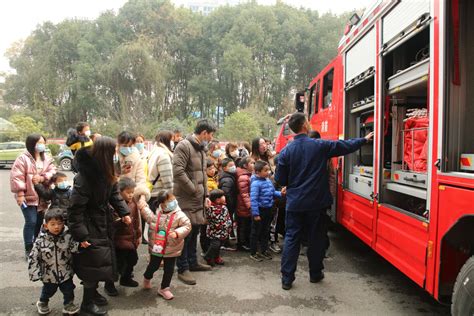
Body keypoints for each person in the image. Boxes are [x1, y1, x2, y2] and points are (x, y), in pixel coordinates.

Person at [275, 112, 373, 290]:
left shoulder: (286, 151)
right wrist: (364, 140)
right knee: (316, 239)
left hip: (295, 203)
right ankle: (315, 273)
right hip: (317, 203)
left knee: (291, 239)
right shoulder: (319, 145)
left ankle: (287, 279)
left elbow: (281, 179)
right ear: (305, 125)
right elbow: (344, 146)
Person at [68, 136, 132, 315]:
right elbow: (75, 210)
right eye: (113, 152)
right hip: (90, 225)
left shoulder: (106, 171)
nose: (116, 155)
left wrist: (124, 212)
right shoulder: (85, 177)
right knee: (93, 264)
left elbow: (115, 194)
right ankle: (86, 305)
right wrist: (81, 235)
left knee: (99, 262)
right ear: (105, 153)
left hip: (103, 222)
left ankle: (93, 295)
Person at [173, 118, 216, 285]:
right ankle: (182, 269)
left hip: (198, 199)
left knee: (194, 233)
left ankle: (192, 262)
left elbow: (203, 175)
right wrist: (193, 189)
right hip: (186, 199)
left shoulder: (201, 148)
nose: (211, 138)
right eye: (211, 134)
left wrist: (205, 195)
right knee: (185, 234)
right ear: (204, 133)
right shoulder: (184, 146)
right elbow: (177, 171)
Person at [10, 133, 57, 258]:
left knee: (39, 223)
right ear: (32, 144)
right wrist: (20, 195)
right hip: (28, 197)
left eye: (43, 143)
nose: (42, 145)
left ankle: (37, 245)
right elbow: (17, 177)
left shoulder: (46, 158)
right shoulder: (23, 159)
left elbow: (53, 171)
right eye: (39, 143)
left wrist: (42, 178)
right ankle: (28, 248)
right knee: (31, 221)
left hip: (42, 196)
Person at [139, 190, 191, 300]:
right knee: (153, 265)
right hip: (157, 247)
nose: (173, 202)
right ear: (162, 203)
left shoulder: (179, 214)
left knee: (169, 269)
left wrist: (177, 233)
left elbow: (187, 226)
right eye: (169, 201)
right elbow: (149, 217)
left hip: (172, 247)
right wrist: (143, 207)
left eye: (172, 200)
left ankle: (164, 288)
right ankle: (147, 277)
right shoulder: (157, 213)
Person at [28, 209, 81, 315]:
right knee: (48, 291)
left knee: (68, 290)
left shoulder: (68, 237)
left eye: (59, 224)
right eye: (52, 224)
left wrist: (80, 245)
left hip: (65, 272)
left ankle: (68, 304)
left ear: (63, 224)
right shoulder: (40, 241)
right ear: (46, 225)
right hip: (48, 275)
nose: (56, 227)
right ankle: (43, 302)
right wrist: (34, 272)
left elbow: (73, 249)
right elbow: (33, 257)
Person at [104, 177, 147, 296]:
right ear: (119, 191)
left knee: (132, 260)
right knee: (116, 265)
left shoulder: (133, 202)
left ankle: (125, 278)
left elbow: (137, 221)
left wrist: (138, 235)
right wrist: (121, 221)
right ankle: (109, 285)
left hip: (130, 239)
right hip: (118, 241)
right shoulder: (113, 205)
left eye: (132, 192)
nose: (131, 195)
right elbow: (111, 224)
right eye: (128, 192)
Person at [249, 161, 283, 262]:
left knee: (266, 231)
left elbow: (273, 193)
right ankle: (253, 252)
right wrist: (255, 214)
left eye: (268, 170)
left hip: (268, 210)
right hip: (259, 211)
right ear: (257, 172)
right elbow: (253, 200)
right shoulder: (255, 183)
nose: (268, 172)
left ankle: (264, 250)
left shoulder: (268, 181)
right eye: (265, 170)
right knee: (255, 232)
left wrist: (281, 193)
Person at [204, 189, 232, 266]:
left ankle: (216, 258)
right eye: (223, 196)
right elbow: (208, 219)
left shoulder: (224, 206)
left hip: (224, 231)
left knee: (219, 246)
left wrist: (229, 225)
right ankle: (208, 256)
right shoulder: (211, 208)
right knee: (215, 244)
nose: (224, 197)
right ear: (218, 199)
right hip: (215, 231)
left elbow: (227, 217)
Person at [236, 157, 255, 251]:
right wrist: (250, 205)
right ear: (245, 165)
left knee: (247, 225)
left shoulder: (248, 175)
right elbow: (244, 193)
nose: (254, 165)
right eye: (251, 163)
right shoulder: (243, 177)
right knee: (243, 225)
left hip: (246, 206)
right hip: (243, 206)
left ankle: (246, 242)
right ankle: (242, 244)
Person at [200, 158, 218, 254]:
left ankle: (210, 248)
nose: (212, 170)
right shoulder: (205, 181)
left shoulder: (214, 179)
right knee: (205, 230)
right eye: (209, 169)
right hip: (207, 208)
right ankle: (205, 249)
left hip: (214, 209)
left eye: (213, 168)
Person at [218, 158, 237, 244]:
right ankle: (225, 242)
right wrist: (231, 204)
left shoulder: (229, 176)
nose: (233, 167)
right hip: (228, 205)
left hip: (229, 205)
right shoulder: (227, 179)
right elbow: (226, 193)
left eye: (233, 165)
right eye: (230, 166)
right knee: (226, 223)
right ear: (224, 168)